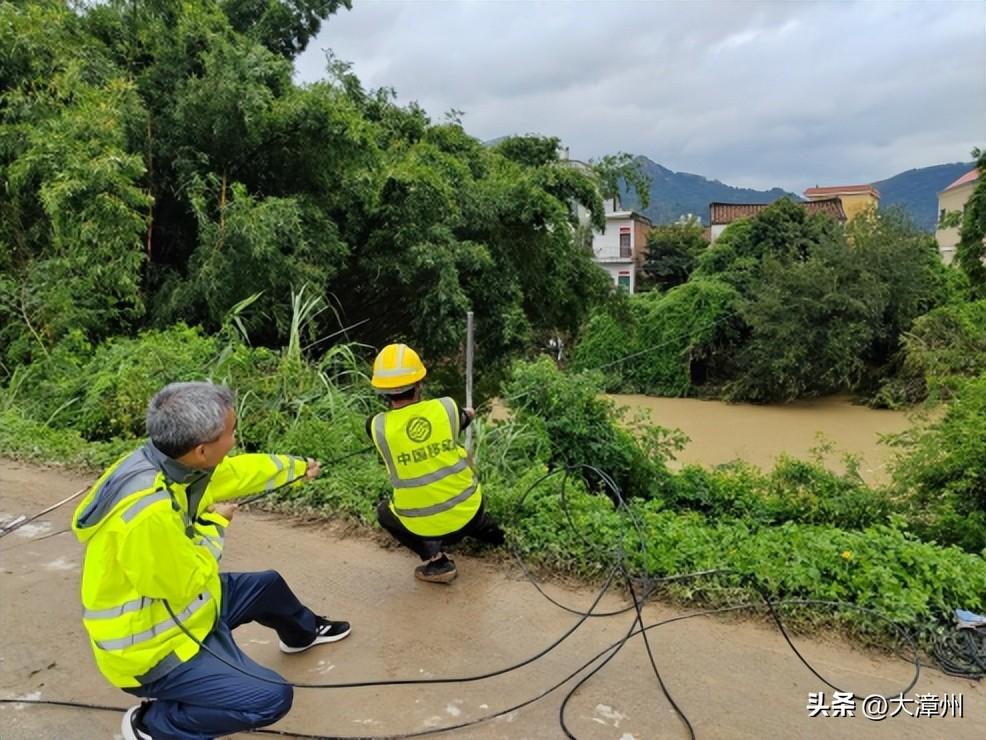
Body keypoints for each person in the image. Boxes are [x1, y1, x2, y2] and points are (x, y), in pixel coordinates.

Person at [72, 381, 351, 740]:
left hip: (186, 609)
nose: (234, 440)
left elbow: (235, 473)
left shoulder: (170, 461)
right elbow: (182, 584)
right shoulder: (148, 514)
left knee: (267, 585)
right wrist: (216, 523)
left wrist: (297, 469)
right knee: (272, 698)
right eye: (231, 433)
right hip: (153, 649)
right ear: (202, 450)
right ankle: (155, 726)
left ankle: (302, 634)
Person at [367, 343, 504, 583]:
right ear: (419, 383)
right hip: (470, 512)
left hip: (422, 528)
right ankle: (491, 533)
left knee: (383, 512)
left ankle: (436, 561)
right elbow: (464, 417)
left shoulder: (376, 427)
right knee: (465, 490)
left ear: (383, 392)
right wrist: (469, 414)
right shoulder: (447, 407)